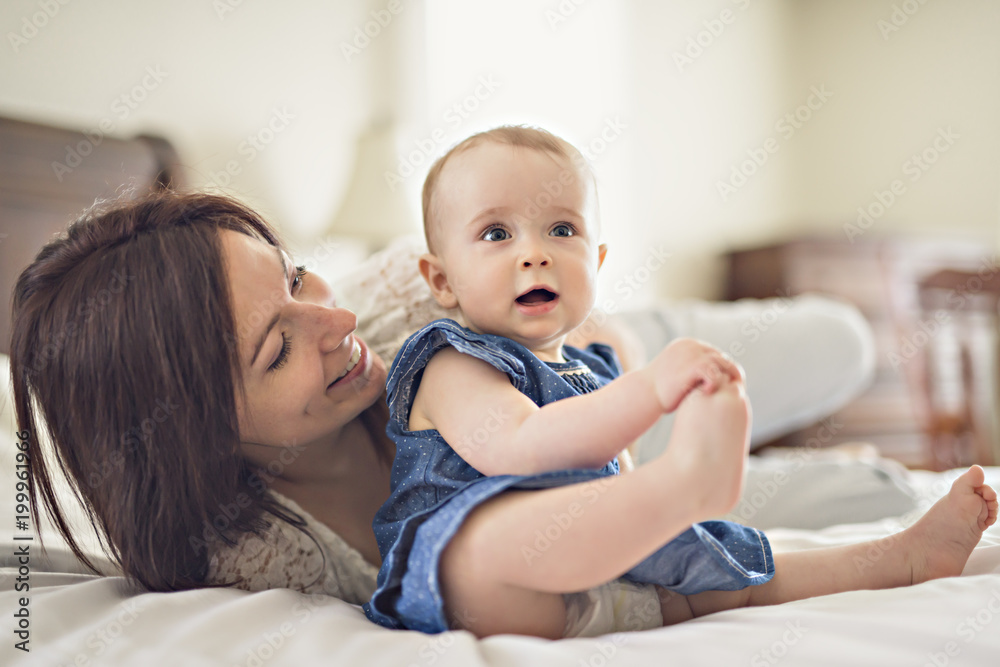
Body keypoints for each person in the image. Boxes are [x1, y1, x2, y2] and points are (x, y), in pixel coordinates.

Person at [8, 187, 993, 641]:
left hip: (582, 362)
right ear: (201, 439)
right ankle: (836, 479)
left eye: (299, 275)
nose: (335, 318)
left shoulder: (400, 299)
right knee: (849, 490)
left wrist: (622, 383)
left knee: (841, 343)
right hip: (586, 500)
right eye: (277, 344)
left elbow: (561, 312)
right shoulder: (252, 551)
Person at [362, 125, 999, 638]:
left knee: (734, 573)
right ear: (441, 280)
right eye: (496, 233)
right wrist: (651, 392)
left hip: (612, 584)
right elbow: (520, 444)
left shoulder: (593, 372)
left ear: (598, 260)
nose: (536, 252)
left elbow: (614, 475)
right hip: (489, 590)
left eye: (563, 229)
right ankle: (687, 484)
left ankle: (898, 558)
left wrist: (637, 432)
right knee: (482, 544)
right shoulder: (450, 361)